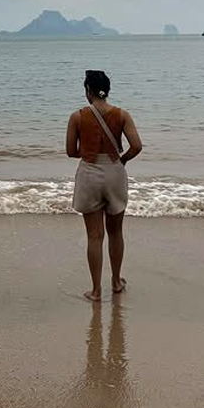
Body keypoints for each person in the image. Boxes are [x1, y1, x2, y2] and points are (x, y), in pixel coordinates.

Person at [66, 70, 143, 301]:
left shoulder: (77, 117)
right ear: (106, 90)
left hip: (90, 172)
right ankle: (116, 281)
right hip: (114, 171)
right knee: (116, 232)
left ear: (88, 90)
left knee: (94, 237)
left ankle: (96, 290)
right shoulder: (122, 115)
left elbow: (71, 151)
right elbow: (136, 146)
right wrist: (122, 159)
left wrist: (90, 152)